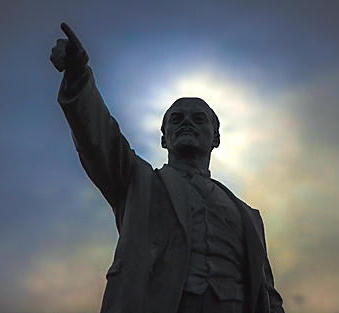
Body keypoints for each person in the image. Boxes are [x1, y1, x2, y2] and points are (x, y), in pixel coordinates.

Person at [50, 23, 284, 313]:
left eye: (199, 118)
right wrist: (78, 75)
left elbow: (267, 294)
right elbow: (101, 140)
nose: (187, 122)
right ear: (163, 138)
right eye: (176, 119)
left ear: (217, 137)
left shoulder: (248, 216)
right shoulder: (138, 182)